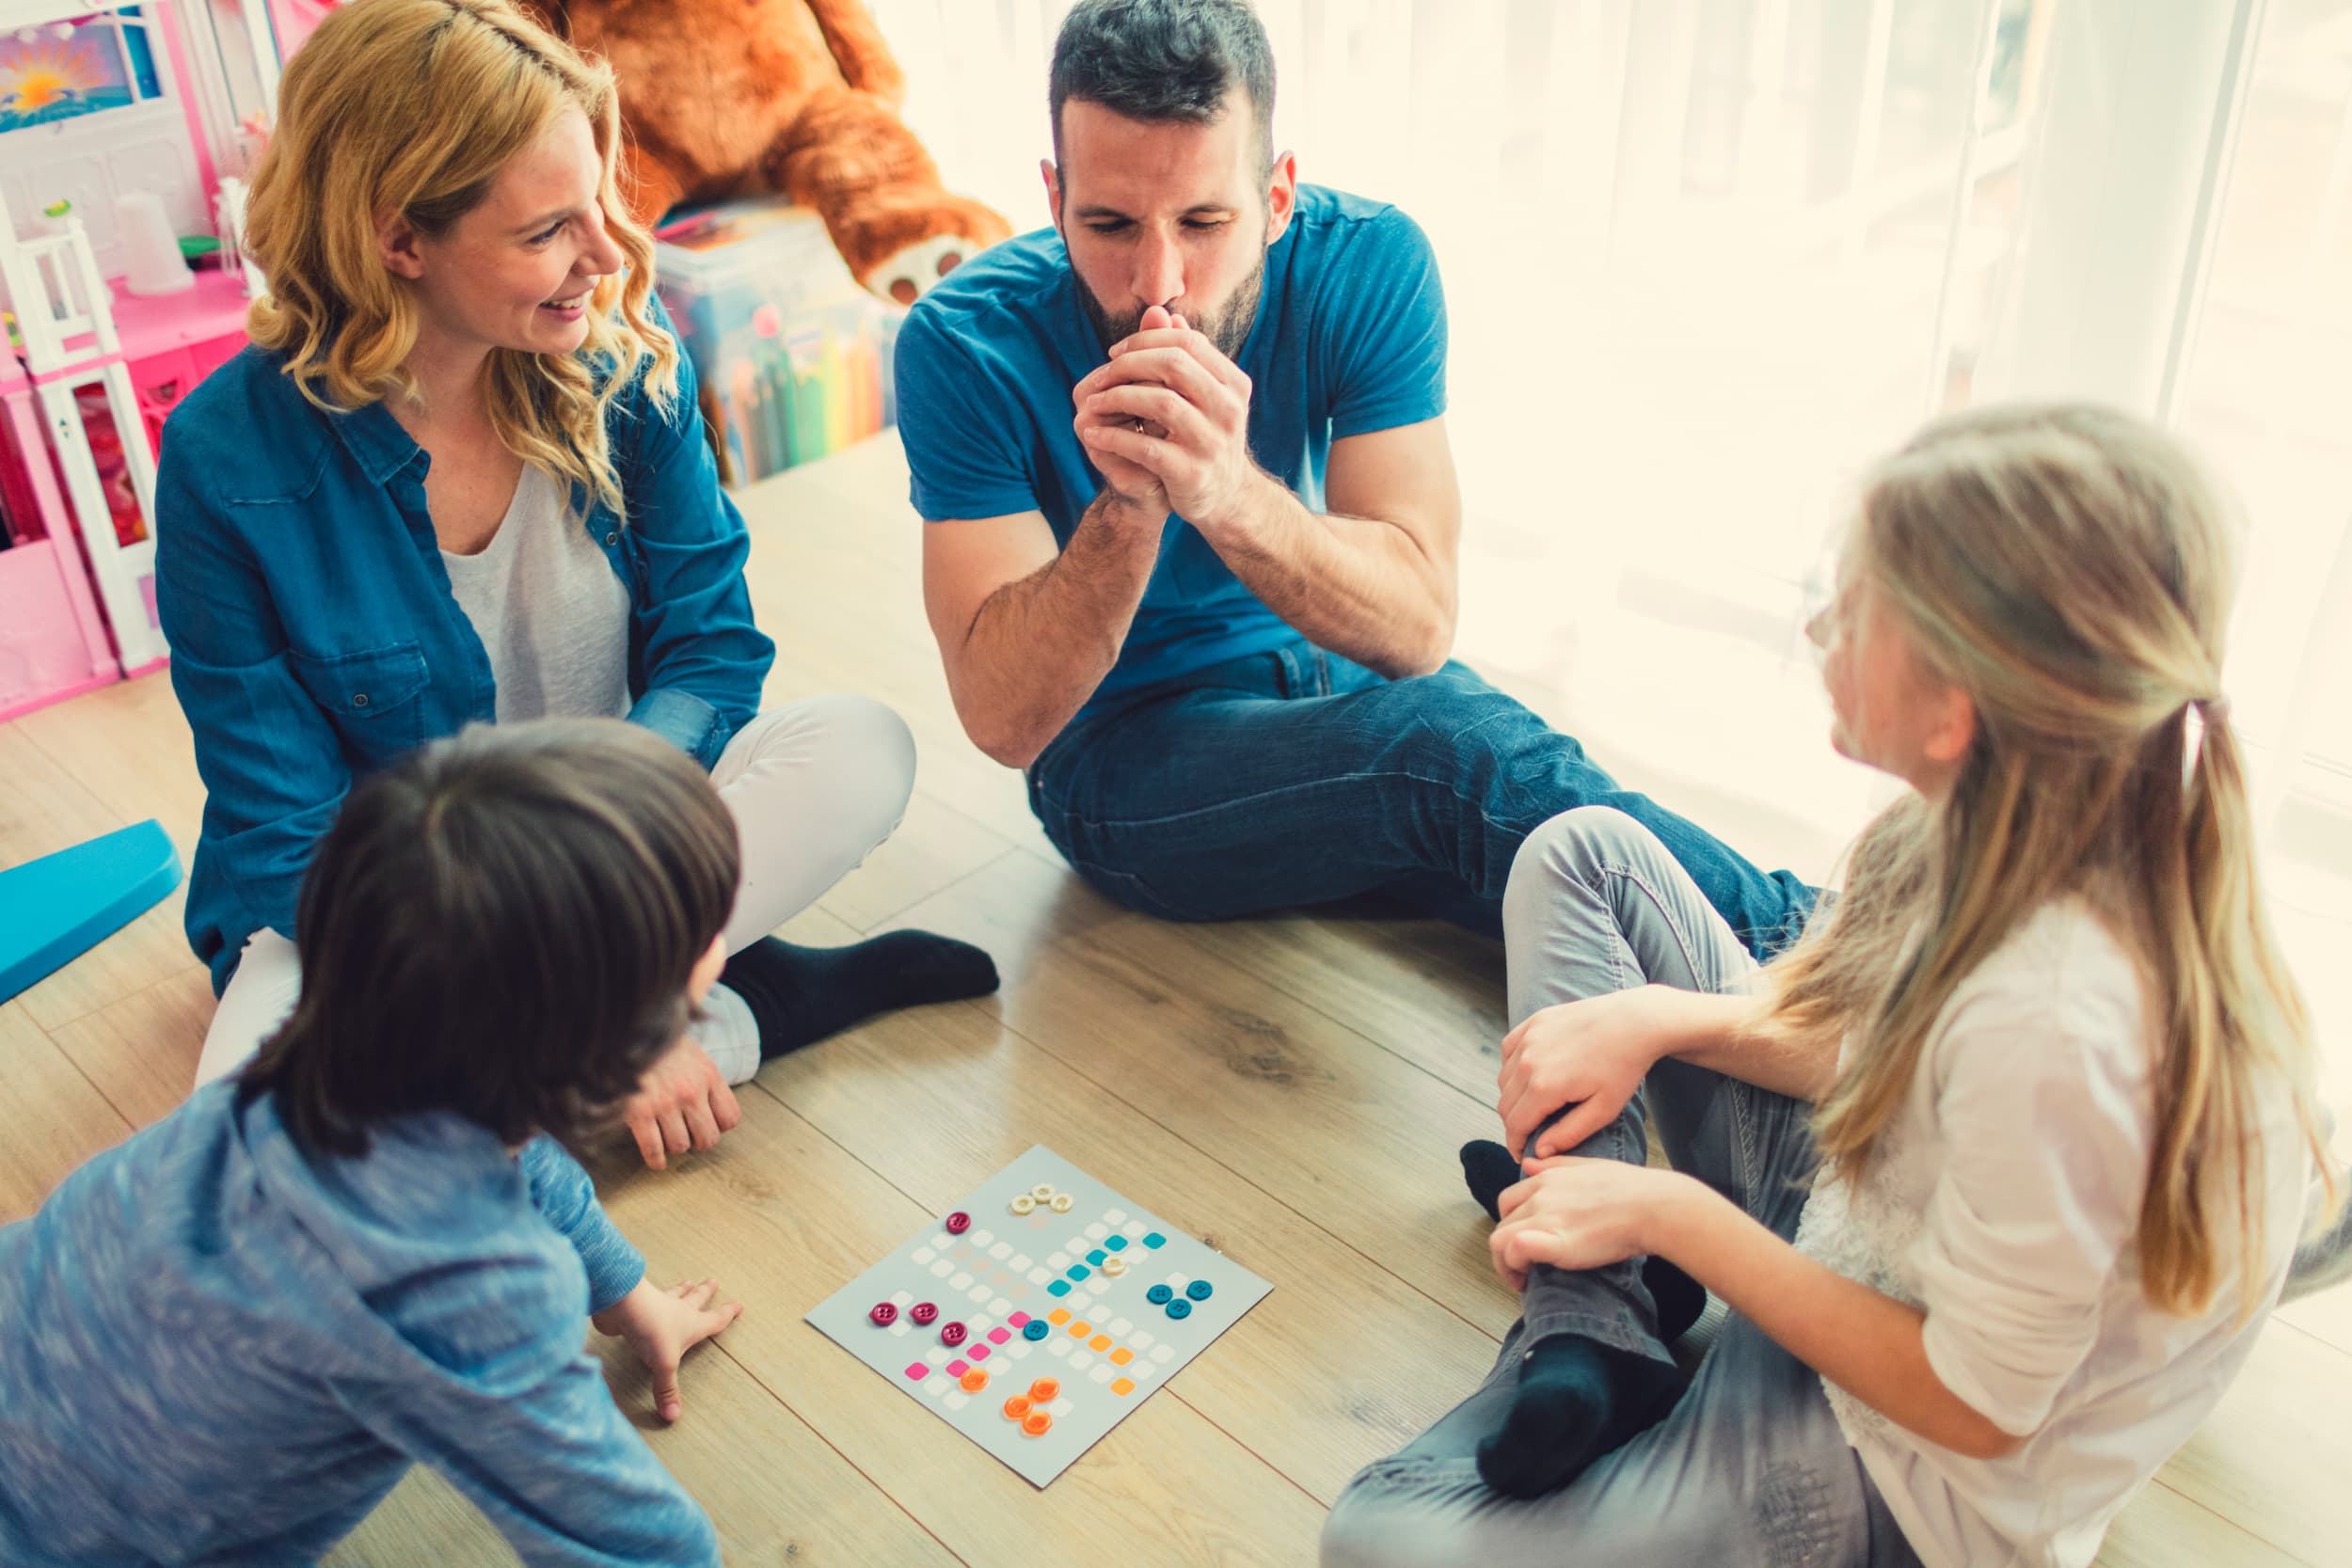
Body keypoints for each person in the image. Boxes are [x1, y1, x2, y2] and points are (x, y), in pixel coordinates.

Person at [1319, 405, 2341, 1568]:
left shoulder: (2056, 1021)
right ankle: (1596, 1326)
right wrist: (1655, 1016)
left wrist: (1670, 1215)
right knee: (1580, 849)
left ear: (1959, 703)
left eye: (1854, 609)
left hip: (1897, 1463)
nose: (1816, 625)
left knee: (1381, 1538)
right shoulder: (1997, 812)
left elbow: (1977, 1408)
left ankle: (1606, 1306)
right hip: (1861, 1224)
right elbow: (1880, 1056)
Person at [156, 0, 995, 1169]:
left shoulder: (617, 343)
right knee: (241, 1145)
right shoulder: (225, 459)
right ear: (400, 240)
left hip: (615, 845)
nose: (607, 255)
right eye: (551, 228)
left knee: (861, 744)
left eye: (604, 200)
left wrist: (595, 867)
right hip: (394, 906)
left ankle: (571, 1051)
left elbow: (711, 651)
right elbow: (288, 833)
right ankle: (724, 1011)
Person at [897, 0, 1811, 956]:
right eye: (1108, 222)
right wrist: (1132, 503)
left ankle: (1818, 1011)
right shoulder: (961, 343)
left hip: (1341, 675)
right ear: (1053, 199)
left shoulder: (1368, 260)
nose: (1157, 281)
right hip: (1126, 757)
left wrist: (1226, 490)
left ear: (1278, 197)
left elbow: (1416, 626)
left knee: (1544, 837)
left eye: (1206, 219)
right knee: (1458, 755)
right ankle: (1833, 964)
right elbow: (1005, 720)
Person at [0, 720, 755, 1566]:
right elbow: (633, 1541)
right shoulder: (468, 1283)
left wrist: (625, 1294)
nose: (721, 947)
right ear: (612, 1051)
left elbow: (516, 1149)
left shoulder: (311, 1076)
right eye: (700, 939)